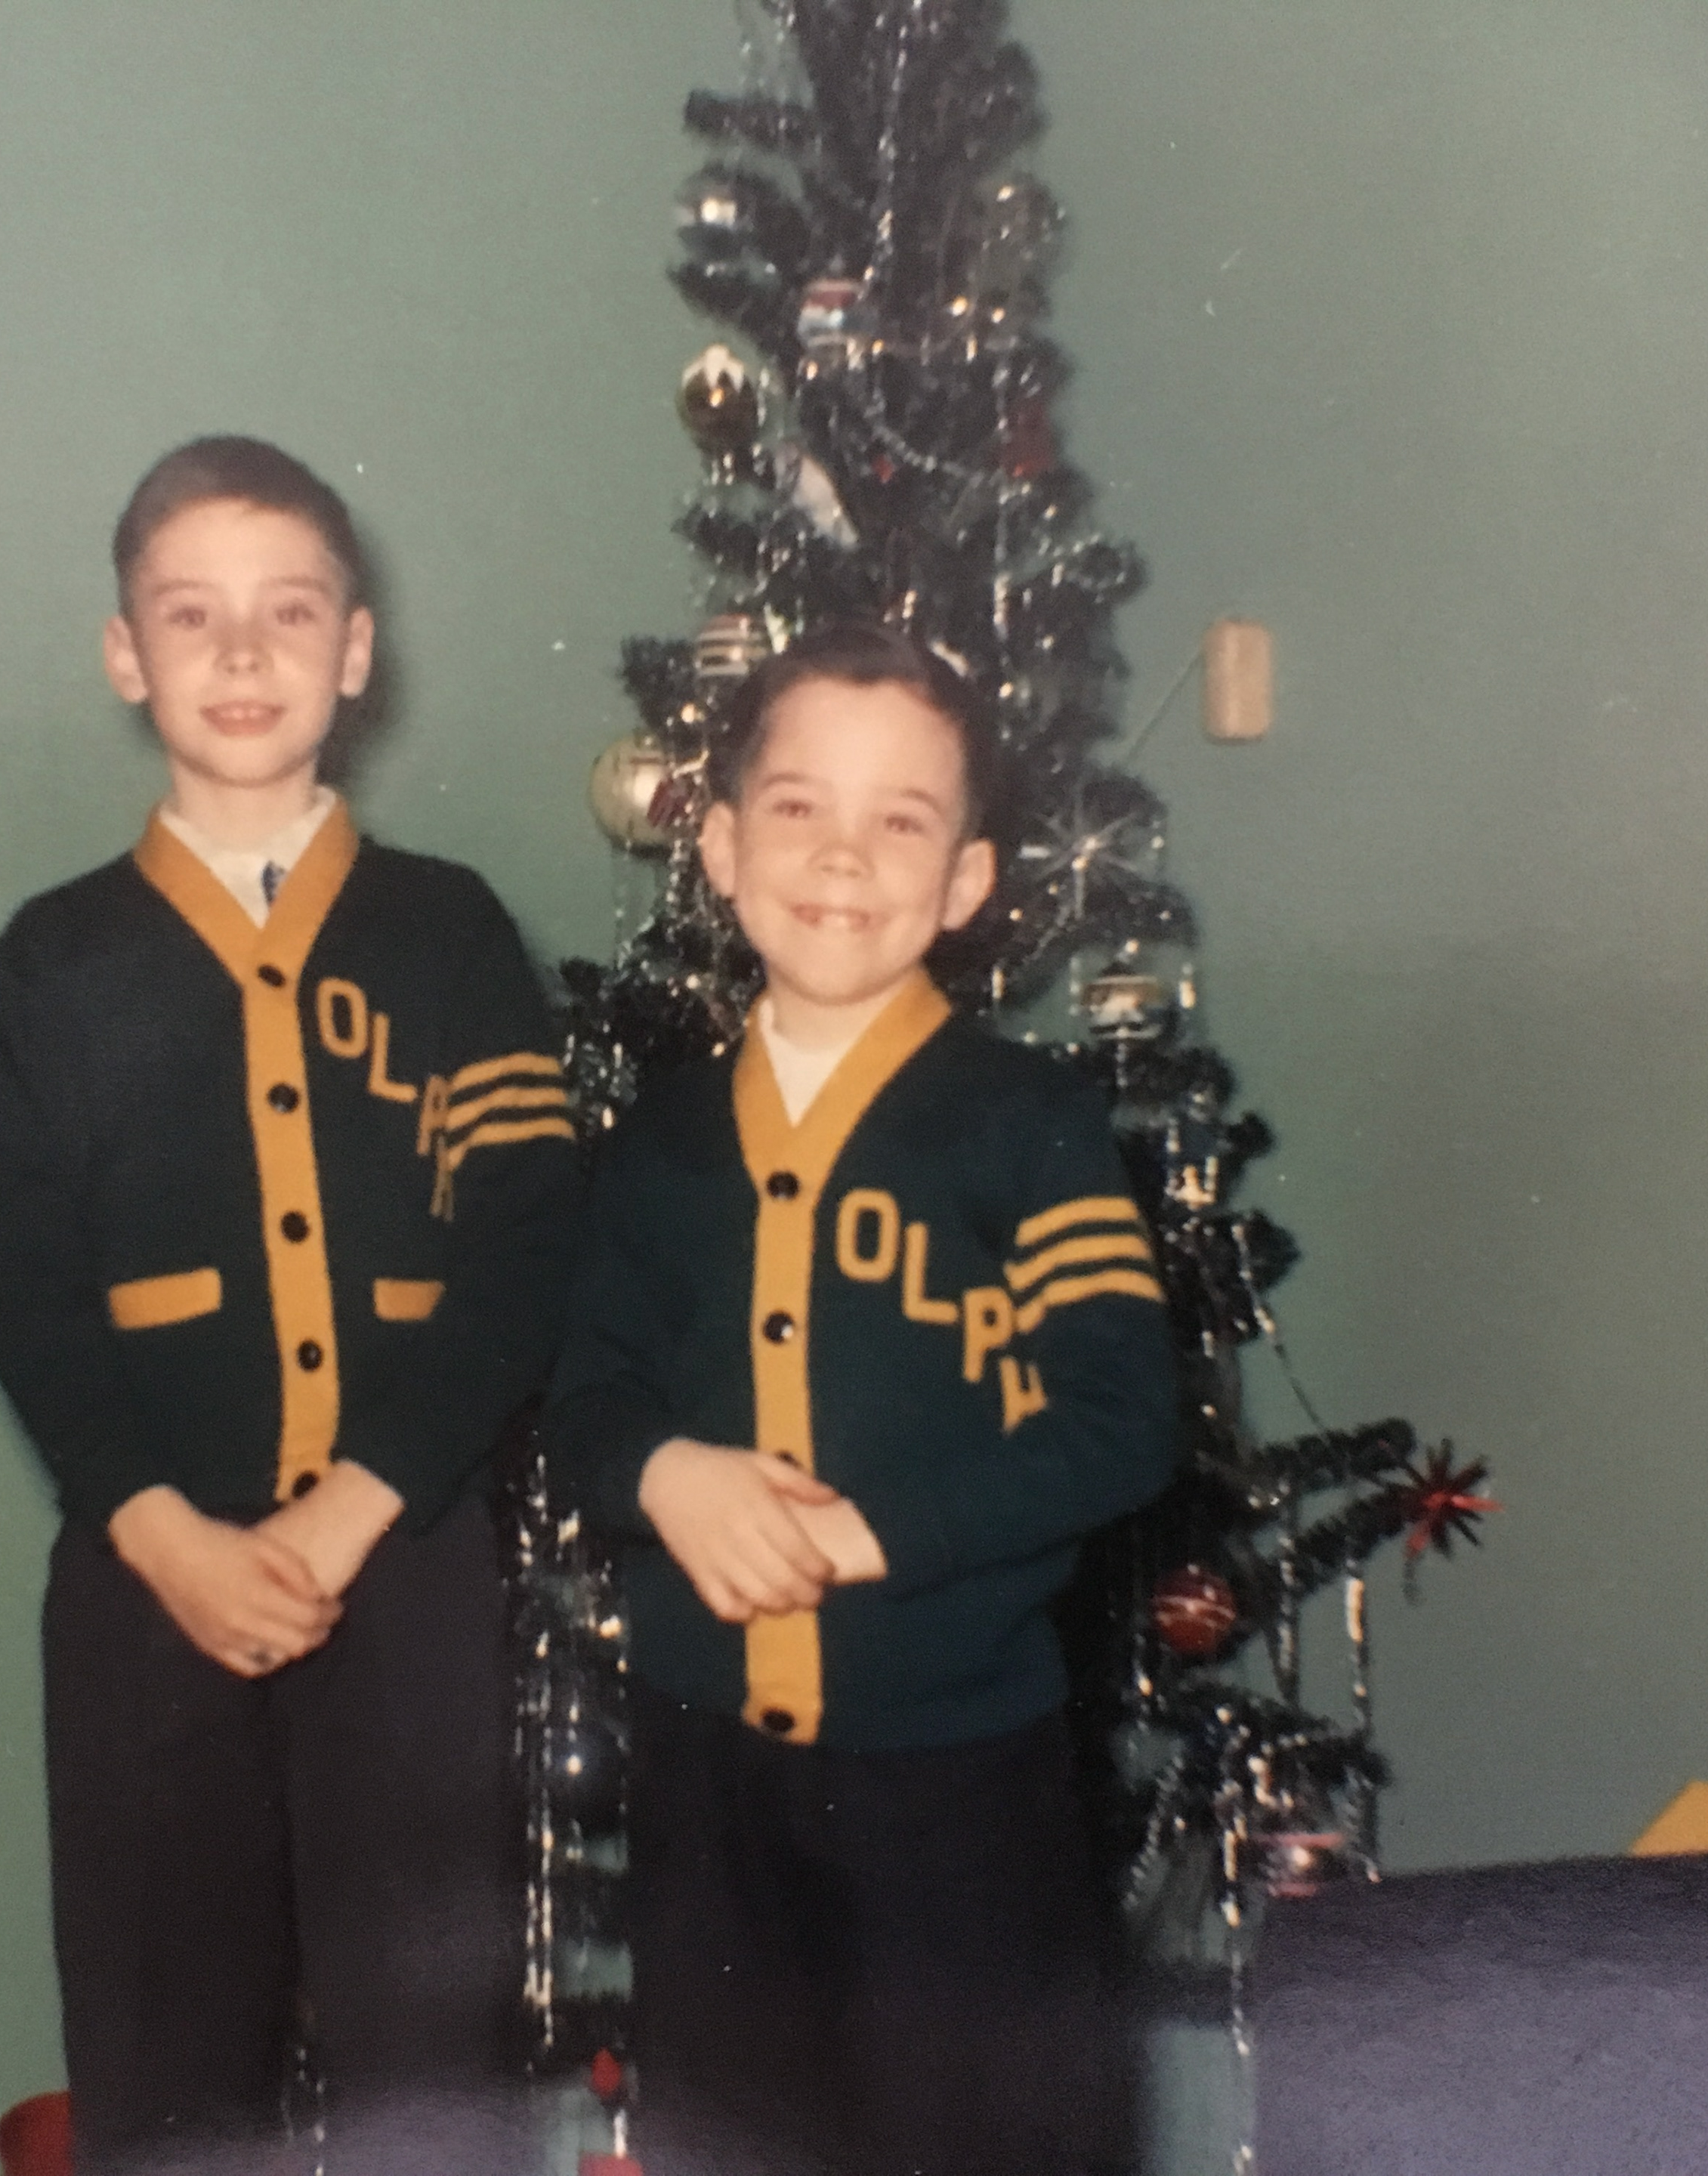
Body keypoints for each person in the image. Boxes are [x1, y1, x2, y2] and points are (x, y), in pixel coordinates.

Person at [0, 437, 579, 2174]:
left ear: (355, 650)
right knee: (165, 2071)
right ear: (126, 654)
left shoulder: (451, 935)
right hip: (144, 1590)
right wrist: (166, 1535)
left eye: (288, 612)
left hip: (409, 1579)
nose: (242, 654)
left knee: (426, 2071)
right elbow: (29, 1292)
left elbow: (525, 1247)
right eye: (191, 615)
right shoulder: (52, 963)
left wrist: (352, 1509)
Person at [544, 622, 1178, 2176]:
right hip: (706, 1778)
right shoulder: (661, 1142)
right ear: (718, 846)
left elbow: (1121, 1421)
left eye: (902, 821)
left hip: (957, 1787)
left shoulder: (1027, 1125)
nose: (843, 858)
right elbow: (581, 1398)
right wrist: (669, 1474)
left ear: (968, 881)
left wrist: (866, 1535)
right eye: (798, 807)